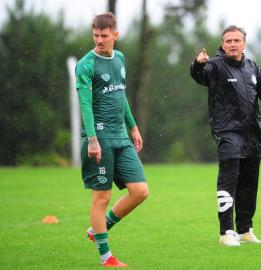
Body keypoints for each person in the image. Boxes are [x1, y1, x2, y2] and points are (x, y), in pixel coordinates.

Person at [190, 25, 261, 246]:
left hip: (251, 134)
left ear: (244, 43)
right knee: (229, 181)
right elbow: (200, 76)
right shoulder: (214, 66)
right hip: (227, 132)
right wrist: (197, 64)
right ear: (222, 44)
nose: (233, 44)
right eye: (229, 41)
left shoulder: (252, 67)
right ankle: (226, 232)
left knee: (249, 185)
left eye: (237, 40)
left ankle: (245, 230)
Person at [75, 12, 148, 267]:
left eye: (104, 35)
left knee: (140, 191)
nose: (99, 40)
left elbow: (121, 95)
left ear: (115, 35)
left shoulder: (120, 59)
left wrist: (133, 126)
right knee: (101, 198)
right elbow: (84, 104)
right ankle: (106, 257)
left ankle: (99, 228)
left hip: (120, 135)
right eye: (96, 35)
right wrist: (92, 138)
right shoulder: (86, 64)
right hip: (100, 137)